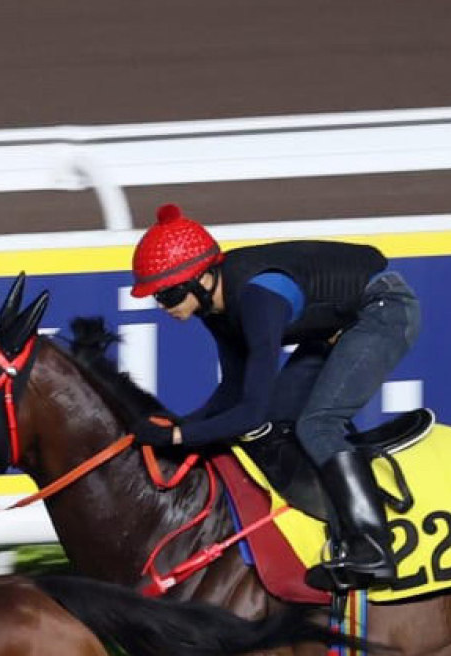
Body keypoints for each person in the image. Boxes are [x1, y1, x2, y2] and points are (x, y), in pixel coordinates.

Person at [126, 204, 422, 591]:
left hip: (381, 311)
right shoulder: (214, 309)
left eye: (168, 296)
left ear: (201, 280)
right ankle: (329, 524)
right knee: (282, 422)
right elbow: (233, 390)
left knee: (317, 424)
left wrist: (181, 438)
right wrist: (182, 425)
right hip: (335, 326)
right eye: (157, 299)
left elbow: (251, 412)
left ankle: (374, 549)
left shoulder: (257, 300)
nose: (164, 308)